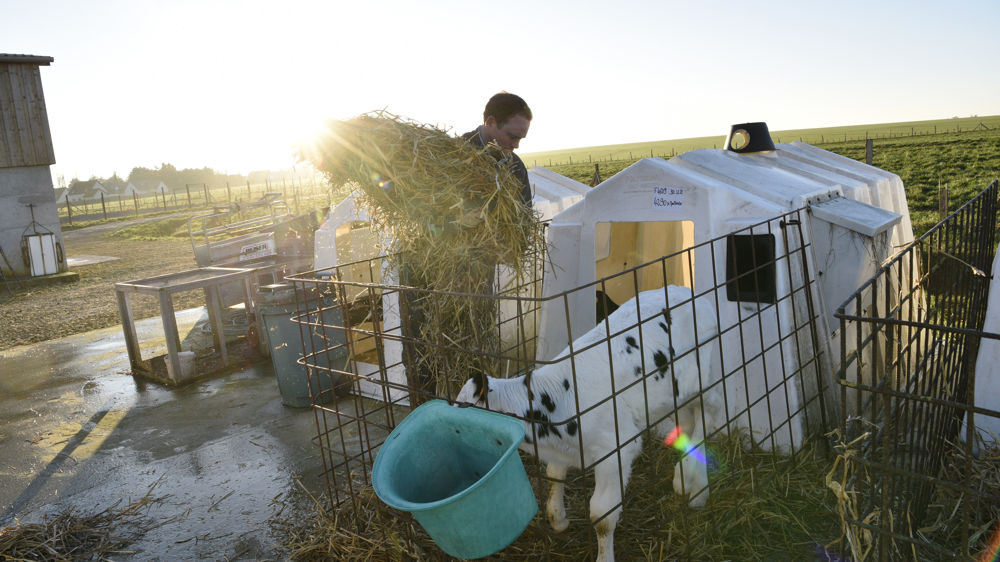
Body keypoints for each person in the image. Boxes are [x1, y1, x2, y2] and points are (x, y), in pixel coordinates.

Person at [460, 91, 533, 206]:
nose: (516, 146)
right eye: (512, 137)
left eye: (520, 139)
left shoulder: (517, 167)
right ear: (490, 123)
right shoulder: (455, 154)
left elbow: (526, 217)